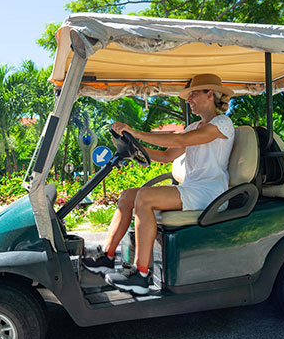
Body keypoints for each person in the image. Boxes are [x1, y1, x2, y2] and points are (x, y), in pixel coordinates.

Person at [83, 74, 236, 295]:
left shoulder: (223, 123)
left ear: (209, 94)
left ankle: (141, 275)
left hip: (210, 194)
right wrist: (135, 149)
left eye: (193, 94)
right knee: (128, 195)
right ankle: (107, 256)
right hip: (191, 189)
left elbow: (179, 141)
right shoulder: (194, 126)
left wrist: (136, 133)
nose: (189, 99)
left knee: (144, 197)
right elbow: (167, 155)